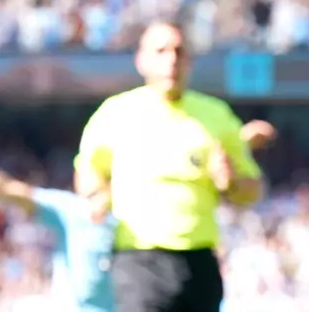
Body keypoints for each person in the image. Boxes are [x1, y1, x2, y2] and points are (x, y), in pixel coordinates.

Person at [0, 119, 278, 312]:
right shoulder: (67, 210)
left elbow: (188, 176)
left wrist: (240, 144)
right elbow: (8, 189)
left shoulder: (140, 208)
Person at [74, 22, 264, 312]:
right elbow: (87, 170)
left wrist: (232, 182)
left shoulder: (216, 116)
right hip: (139, 259)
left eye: (179, 51)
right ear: (142, 60)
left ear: (190, 61)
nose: (171, 60)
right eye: (161, 51)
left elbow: (252, 189)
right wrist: (96, 196)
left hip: (199, 262)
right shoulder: (116, 113)